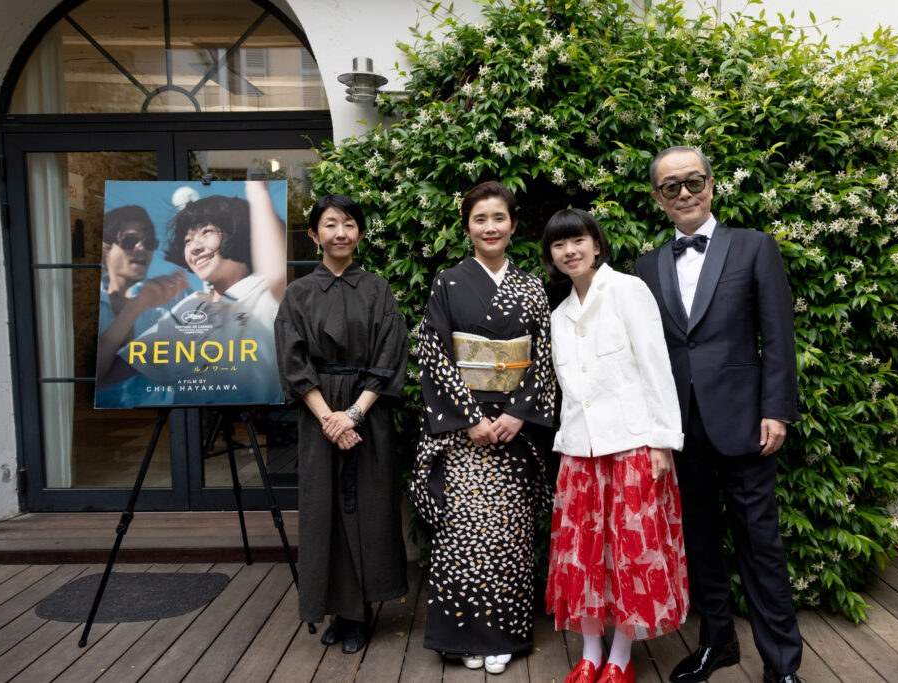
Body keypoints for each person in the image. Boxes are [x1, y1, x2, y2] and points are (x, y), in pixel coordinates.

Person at [634, 146, 803, 683]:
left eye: (694, 181)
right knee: (699, 541)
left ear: (711, 184)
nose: (684, 193)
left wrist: (776, 410)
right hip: (679, 428)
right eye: (671, 186)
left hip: (745, 423)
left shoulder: (755, 247)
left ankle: (782, 664)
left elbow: (778, 335)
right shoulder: (646, 266)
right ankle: (717, 643)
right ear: (659, 199)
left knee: (760, 545)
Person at [411, 180, 555, 675]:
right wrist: (470, 418)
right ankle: (462, 638)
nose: (490, 227)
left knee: (509, 537)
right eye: (480, 219)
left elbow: (544, 357)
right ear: (467, 227)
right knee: (462, 535)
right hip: (463, 431)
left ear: (513, 225)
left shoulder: (531, 286)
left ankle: (504, 636)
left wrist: (517, 414)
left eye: (499, 218)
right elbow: (434, 354)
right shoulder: (448, 282)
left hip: (515, 429)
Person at [542, 209, 687, 683]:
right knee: (581, 554)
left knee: (631, 554)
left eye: (578, 240)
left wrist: (662, 441)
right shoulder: (559, 315)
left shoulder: (627, 290)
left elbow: (656, 365)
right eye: (559, 245)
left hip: (632, 445)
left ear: (597, 244)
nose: (570, 251)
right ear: (551, 256)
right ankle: (590, 654)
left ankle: (621, 657)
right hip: (579, 450)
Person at [274, 193, 409, 654]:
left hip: (368, 411)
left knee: (368, 507)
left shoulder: (377, 289)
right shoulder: (297, 294)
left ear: (361, 233)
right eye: (330, 224)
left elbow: (390, 355)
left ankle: (361, 613)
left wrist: (353, 414)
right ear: (314, 235)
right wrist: (329, 419)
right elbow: (293, 362)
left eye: (349, 224)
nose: (340, 233)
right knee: (323, 509)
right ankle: (336, 609)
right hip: (318, 414)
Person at [105, 181, 287, 405]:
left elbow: (276, 272)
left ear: (241, 234)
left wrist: (257, 191)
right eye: (187, 240)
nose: (194, 247)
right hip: (192, 425)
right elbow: (104, 374)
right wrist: (135, 308)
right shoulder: (189, 309)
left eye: (206, 232)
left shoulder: (265, 292)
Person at [95, 205, 188, 408]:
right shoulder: (90, 305)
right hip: (98, 419)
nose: (141, 248)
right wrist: (135, 307)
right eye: (129, 241)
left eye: (149, 242)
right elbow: (92, 377)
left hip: (157, 415)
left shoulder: (163, 305)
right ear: (105, 248)